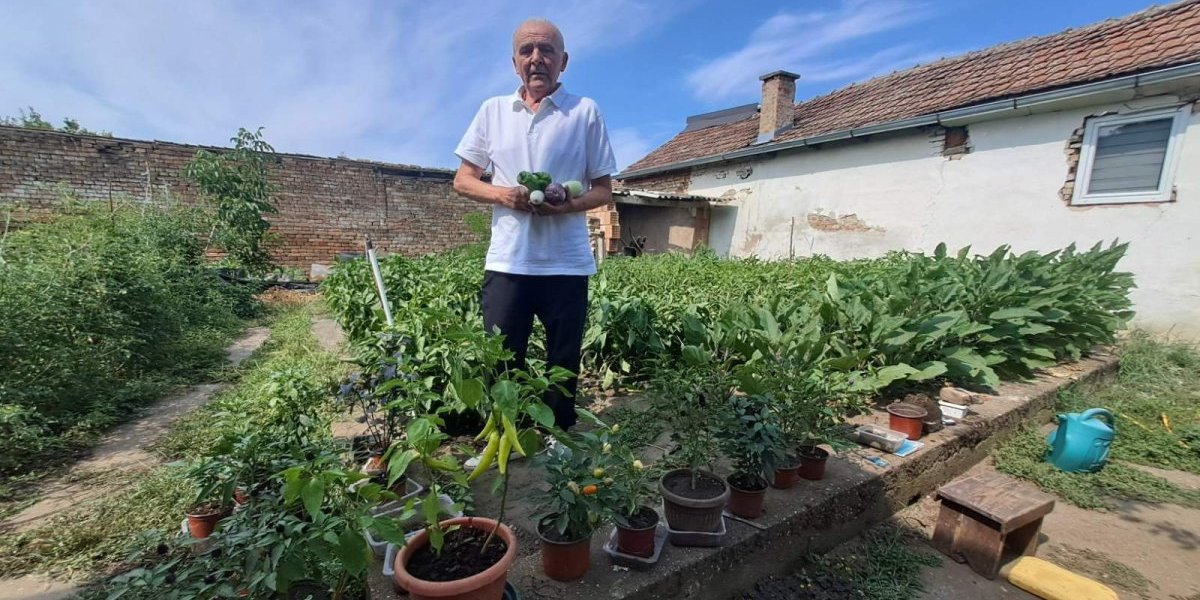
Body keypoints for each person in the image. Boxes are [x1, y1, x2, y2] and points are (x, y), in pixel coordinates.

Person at [452, 18, 616, 432]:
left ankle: (559, 435)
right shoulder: (493, 111)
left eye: (546, 50)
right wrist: (504, 195)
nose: (537, 59)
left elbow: (603, 190)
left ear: (564, 61)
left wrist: (566, 206)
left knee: (563, 358)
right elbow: (464, 179)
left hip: (566, 262)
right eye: (527, 51)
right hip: (509, 261)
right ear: (514, 62)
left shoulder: (585, 112)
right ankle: (506, 435)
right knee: (502, 357)